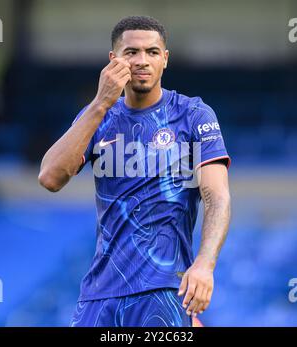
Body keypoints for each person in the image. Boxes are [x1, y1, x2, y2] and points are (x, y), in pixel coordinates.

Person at [38, 15, 231, 327]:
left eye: (152, 52)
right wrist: (100, 102)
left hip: (166, 288)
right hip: (100, 293)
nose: (142, 61)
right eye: (132, 53)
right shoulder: (97, 118)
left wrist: (205, 265)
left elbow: (217, 197)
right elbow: (50, 177)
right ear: (114, 61)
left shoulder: (193, 115)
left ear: (165, 59)